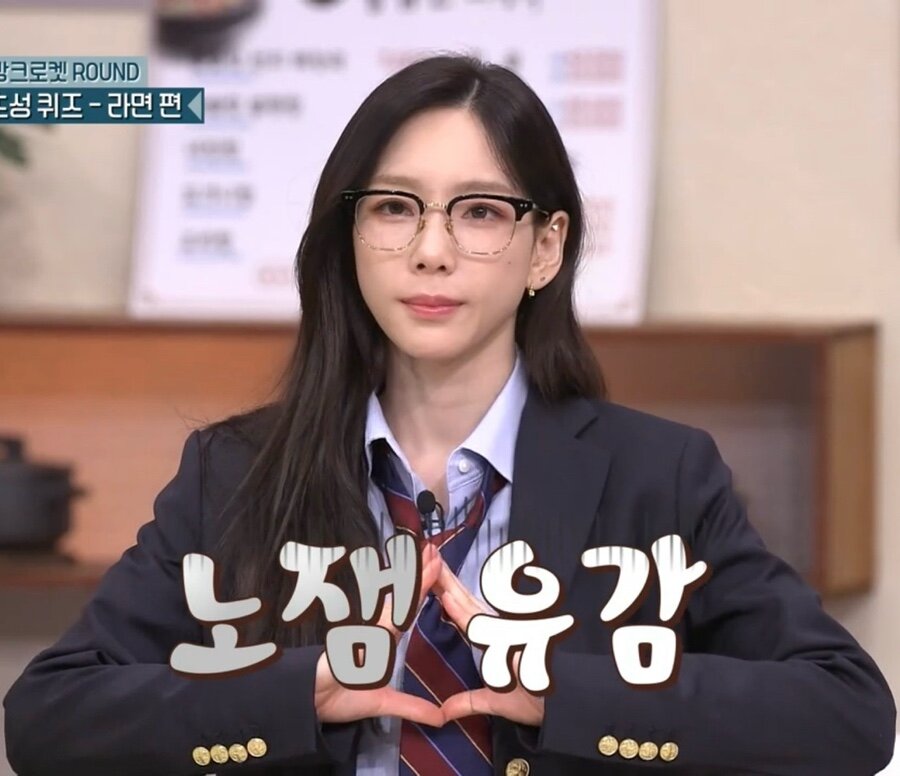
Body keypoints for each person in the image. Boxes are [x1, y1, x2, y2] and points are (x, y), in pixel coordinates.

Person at [3, 55, 896, 776]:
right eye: (395, 208)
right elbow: (48, 718)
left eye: (480, 213)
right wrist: (292, 693)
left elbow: (848, 712)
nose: (431, 251)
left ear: (545, 247)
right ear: (349, 237)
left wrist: (569, 696)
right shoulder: (233, 471)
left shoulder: (658, 476)